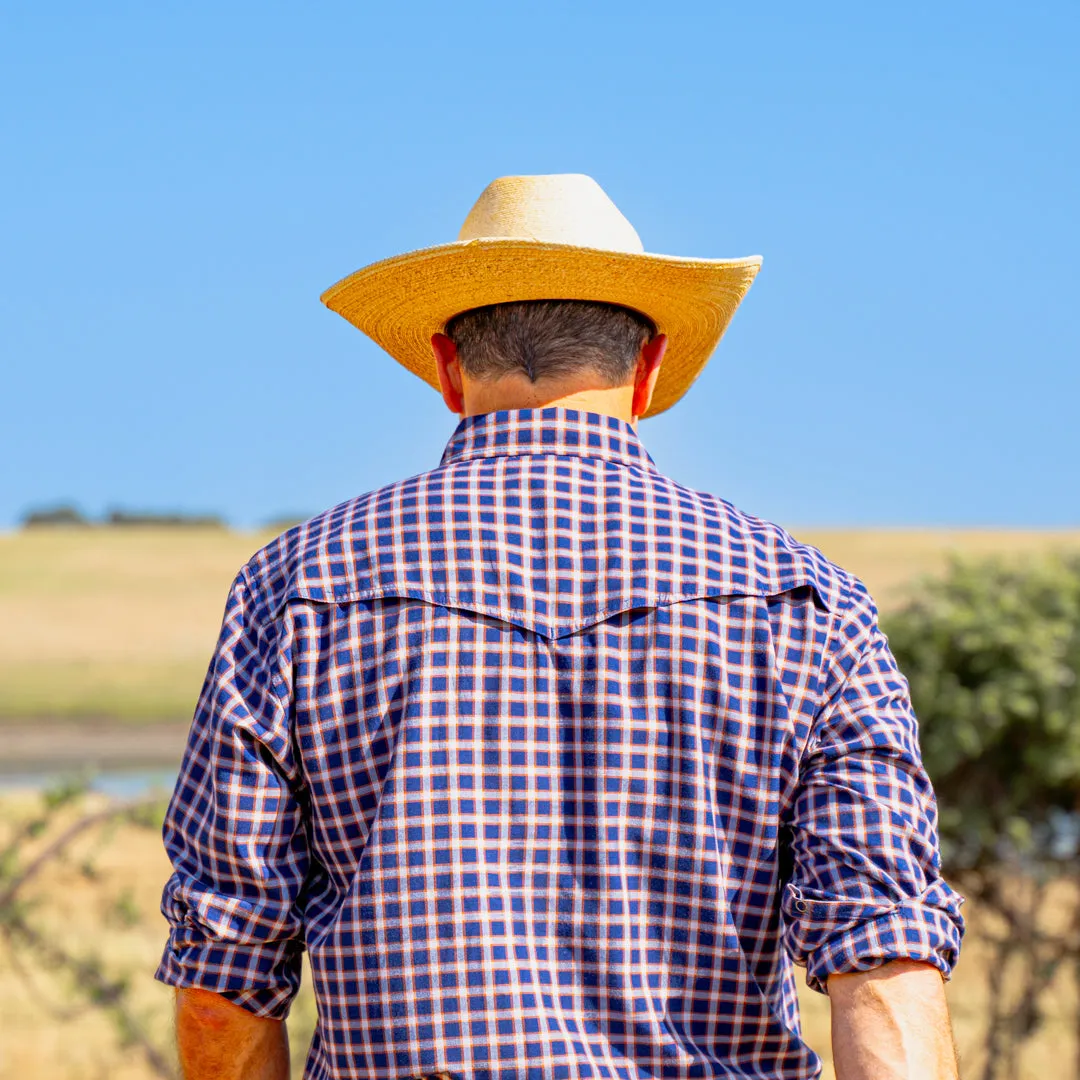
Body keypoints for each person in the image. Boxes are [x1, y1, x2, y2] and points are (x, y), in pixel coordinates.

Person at [158, 174, 964, 1080]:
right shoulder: (807, 604)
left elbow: (227, 967)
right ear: (652, 363)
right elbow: (883, 957)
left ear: (446, 366)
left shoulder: (297, 588)